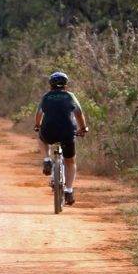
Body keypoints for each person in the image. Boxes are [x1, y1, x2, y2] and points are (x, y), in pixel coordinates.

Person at [34, 70, 88, 206]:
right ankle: (69, 191)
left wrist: (37, 125)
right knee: (70, 162)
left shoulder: (46, 97)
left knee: (41, 137)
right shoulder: (70, 96)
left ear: (50, 85)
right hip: (67, 132)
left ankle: (47, 159)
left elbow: (39, 114)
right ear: (66, 84)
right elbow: (79, 113)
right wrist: (83, 128)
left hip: (48, 131)